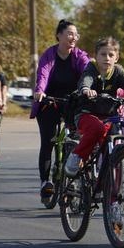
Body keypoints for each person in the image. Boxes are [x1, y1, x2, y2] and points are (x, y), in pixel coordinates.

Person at [65, 37, 124, 176]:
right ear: (96, 56)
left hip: (109, 116)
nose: (107, 58)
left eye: (111, 55)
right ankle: (76, 156)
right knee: (96, 128)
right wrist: (86, 89)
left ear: (116, 58)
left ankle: (109, 191)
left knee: (113, 140)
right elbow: (86, 80)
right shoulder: (92, 69)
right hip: (86, 113)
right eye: (103, 54)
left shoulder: (117, 72)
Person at [31, 20, 90, 201]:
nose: (74, 37)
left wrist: (90, 89)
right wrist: (40, 92)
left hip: (73, 102)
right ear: (59, 35)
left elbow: (88, 73)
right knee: (48, 142)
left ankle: (71, 179)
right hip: (49, 101)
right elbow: (43, 74)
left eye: (76, 34)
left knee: (76, 140)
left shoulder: (79, 56)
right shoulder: (49, 55)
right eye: (70, 33)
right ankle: (45, 183)